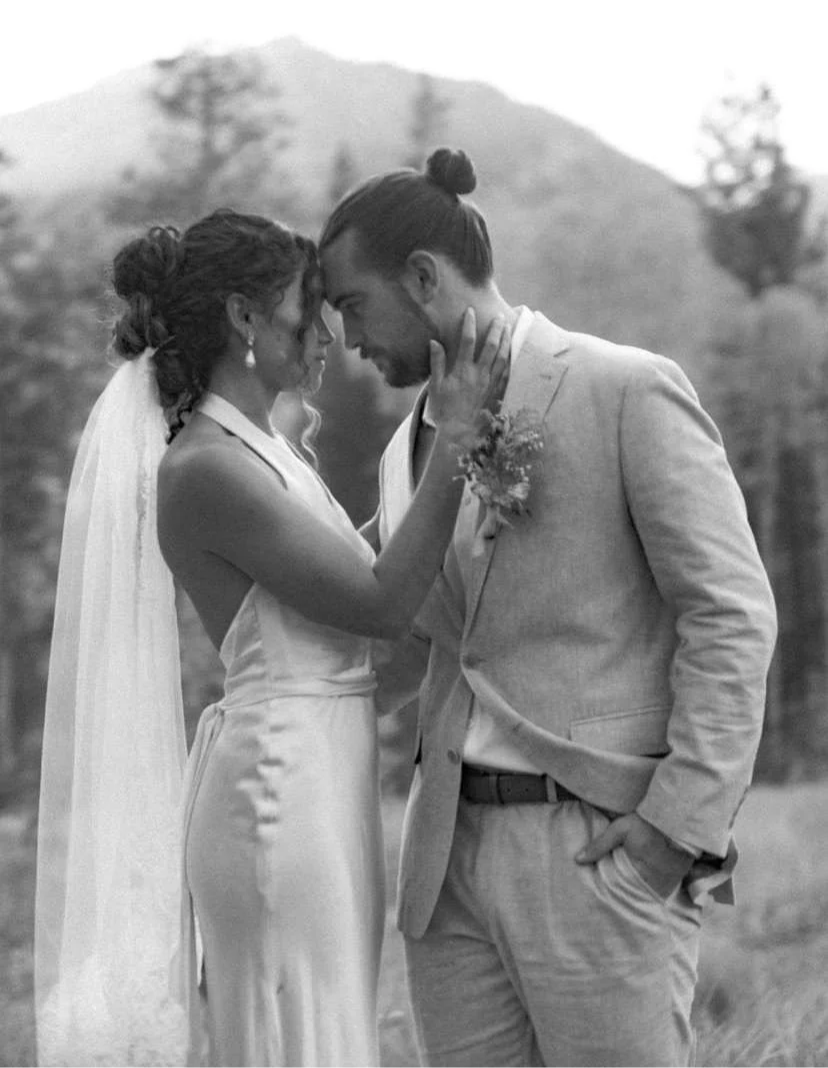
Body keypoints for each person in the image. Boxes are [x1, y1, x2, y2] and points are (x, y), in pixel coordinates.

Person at [319, 148, 778, 1067]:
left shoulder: (625, 390)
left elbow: (730, 614)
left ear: (422, 278)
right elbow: (417, 646)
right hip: (444, 864)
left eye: (353, 305)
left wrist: (673, 832)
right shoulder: (402, 451)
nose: (349, 340)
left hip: (596, 855)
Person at [34, 207, 509, 1067]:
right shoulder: (205, 468)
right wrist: (458, 434)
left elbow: (350, 570)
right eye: (310, 307)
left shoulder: (264, 452)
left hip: (320, 781)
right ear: (245, 318)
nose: (329, 333)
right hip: (276, 795)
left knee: (325, 1034)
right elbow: (378, 602)